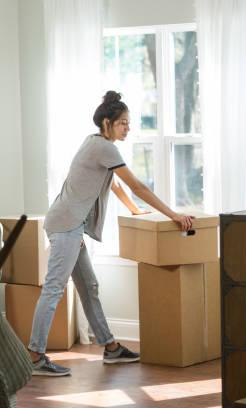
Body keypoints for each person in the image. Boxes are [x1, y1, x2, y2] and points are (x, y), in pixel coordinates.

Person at [29, 91, 195, 376]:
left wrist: (134, 210)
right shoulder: (105, 148)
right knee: (54, 287)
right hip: (66, 224)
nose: (128, 128)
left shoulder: (95, 143)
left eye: (128, 123)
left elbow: (115, 185)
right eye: (123, 123)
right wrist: (175, 216)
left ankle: (111, 348)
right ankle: (34, 356)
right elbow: (137, 185)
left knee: (89, 287)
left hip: (70, 222)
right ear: (107, 123)